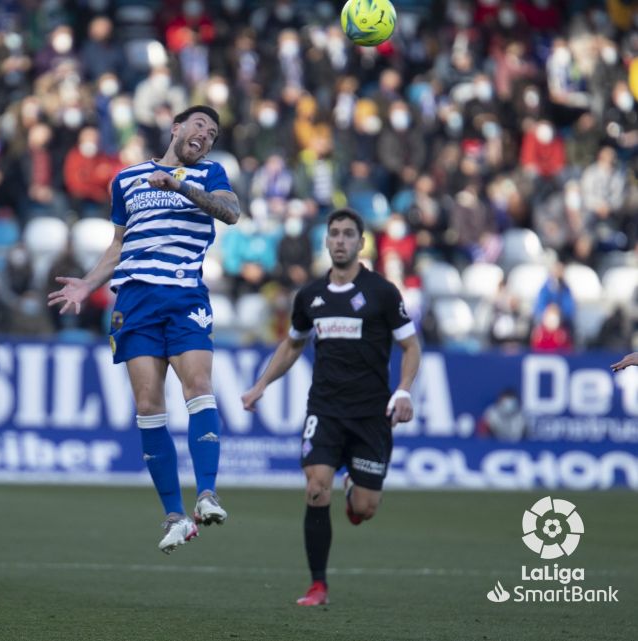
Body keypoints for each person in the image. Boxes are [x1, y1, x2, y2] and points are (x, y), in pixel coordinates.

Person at [48, 105, 240, 554]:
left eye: (212, 133)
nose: (205, 136)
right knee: (149, 404)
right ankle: (175, 516)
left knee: (198, 385)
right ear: (176, 128)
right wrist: (87, 282)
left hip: (184, 295)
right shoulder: (126, 179)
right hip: (134, 300)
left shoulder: (212, 173)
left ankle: (207, 494)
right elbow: (120, 243)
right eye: (199, 126)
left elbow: (230, 213)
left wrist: (180, 186)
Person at [241, 208, 421, 607]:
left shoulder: (383, 293)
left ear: (360, 243)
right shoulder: (310, 297)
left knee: (364, 509)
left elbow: (411, 346)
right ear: (326, 241)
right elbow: (292, 344)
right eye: (334, 234)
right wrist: (260, 385)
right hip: (324, 410)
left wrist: (404, 390)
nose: (340, 240)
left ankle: (356, 489)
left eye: (347, 235)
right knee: (316, 488)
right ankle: (317, 585)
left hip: (371, 415)